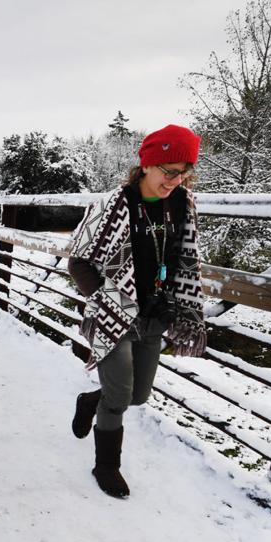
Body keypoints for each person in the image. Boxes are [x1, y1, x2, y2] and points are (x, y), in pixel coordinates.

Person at [66, 124, 208, 498]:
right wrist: (106, 296)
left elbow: (184, 261)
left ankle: (90, 400)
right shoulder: (111, 206)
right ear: (147, 164)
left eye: (184, 172)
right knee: (119, 398)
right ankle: (106, 466)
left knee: (138, 395)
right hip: (114, 314)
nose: (176, 180)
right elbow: (78, 262)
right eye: (170, 171)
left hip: (155, 314)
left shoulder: (183, 205)